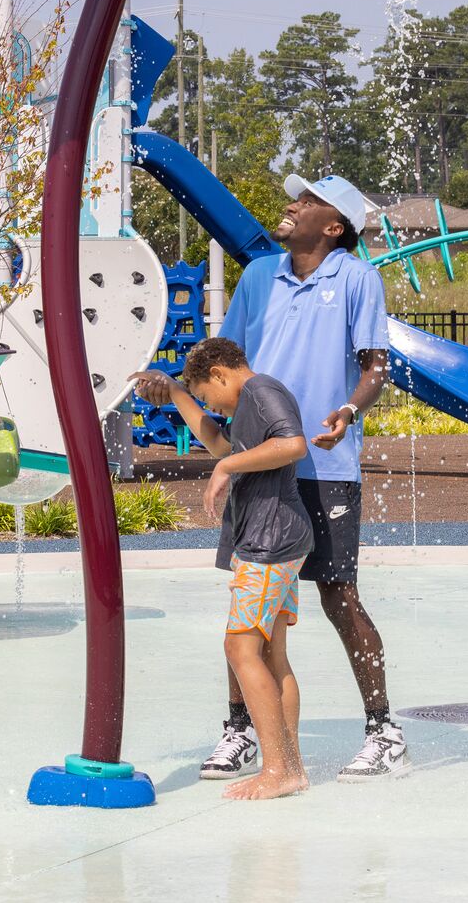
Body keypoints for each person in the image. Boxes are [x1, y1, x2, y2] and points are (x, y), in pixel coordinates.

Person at [137, 172, 405, 781]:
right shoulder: (259, 276)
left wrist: (348, 410)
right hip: (259, 466)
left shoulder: (357, 279)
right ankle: (241, 732)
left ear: (333, 226)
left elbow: (376, 366)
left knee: (338, 595)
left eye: (308, 201)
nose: (292, 205)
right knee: (249, 601)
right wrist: (177, 388)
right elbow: (224, 364)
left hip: (326, 465)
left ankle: (383, 729)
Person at [151, 336, 314, 800]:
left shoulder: (262, 390)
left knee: (239, 649)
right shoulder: (250, 403)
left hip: (269, 541)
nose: (210, 405)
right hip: (277, 538)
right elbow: (220, 444)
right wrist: (177, 392)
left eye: (206, 394)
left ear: (220, 373)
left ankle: (277, 769)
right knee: (270, 654)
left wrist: (226, 470)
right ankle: (291, 769)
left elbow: (293, 444)